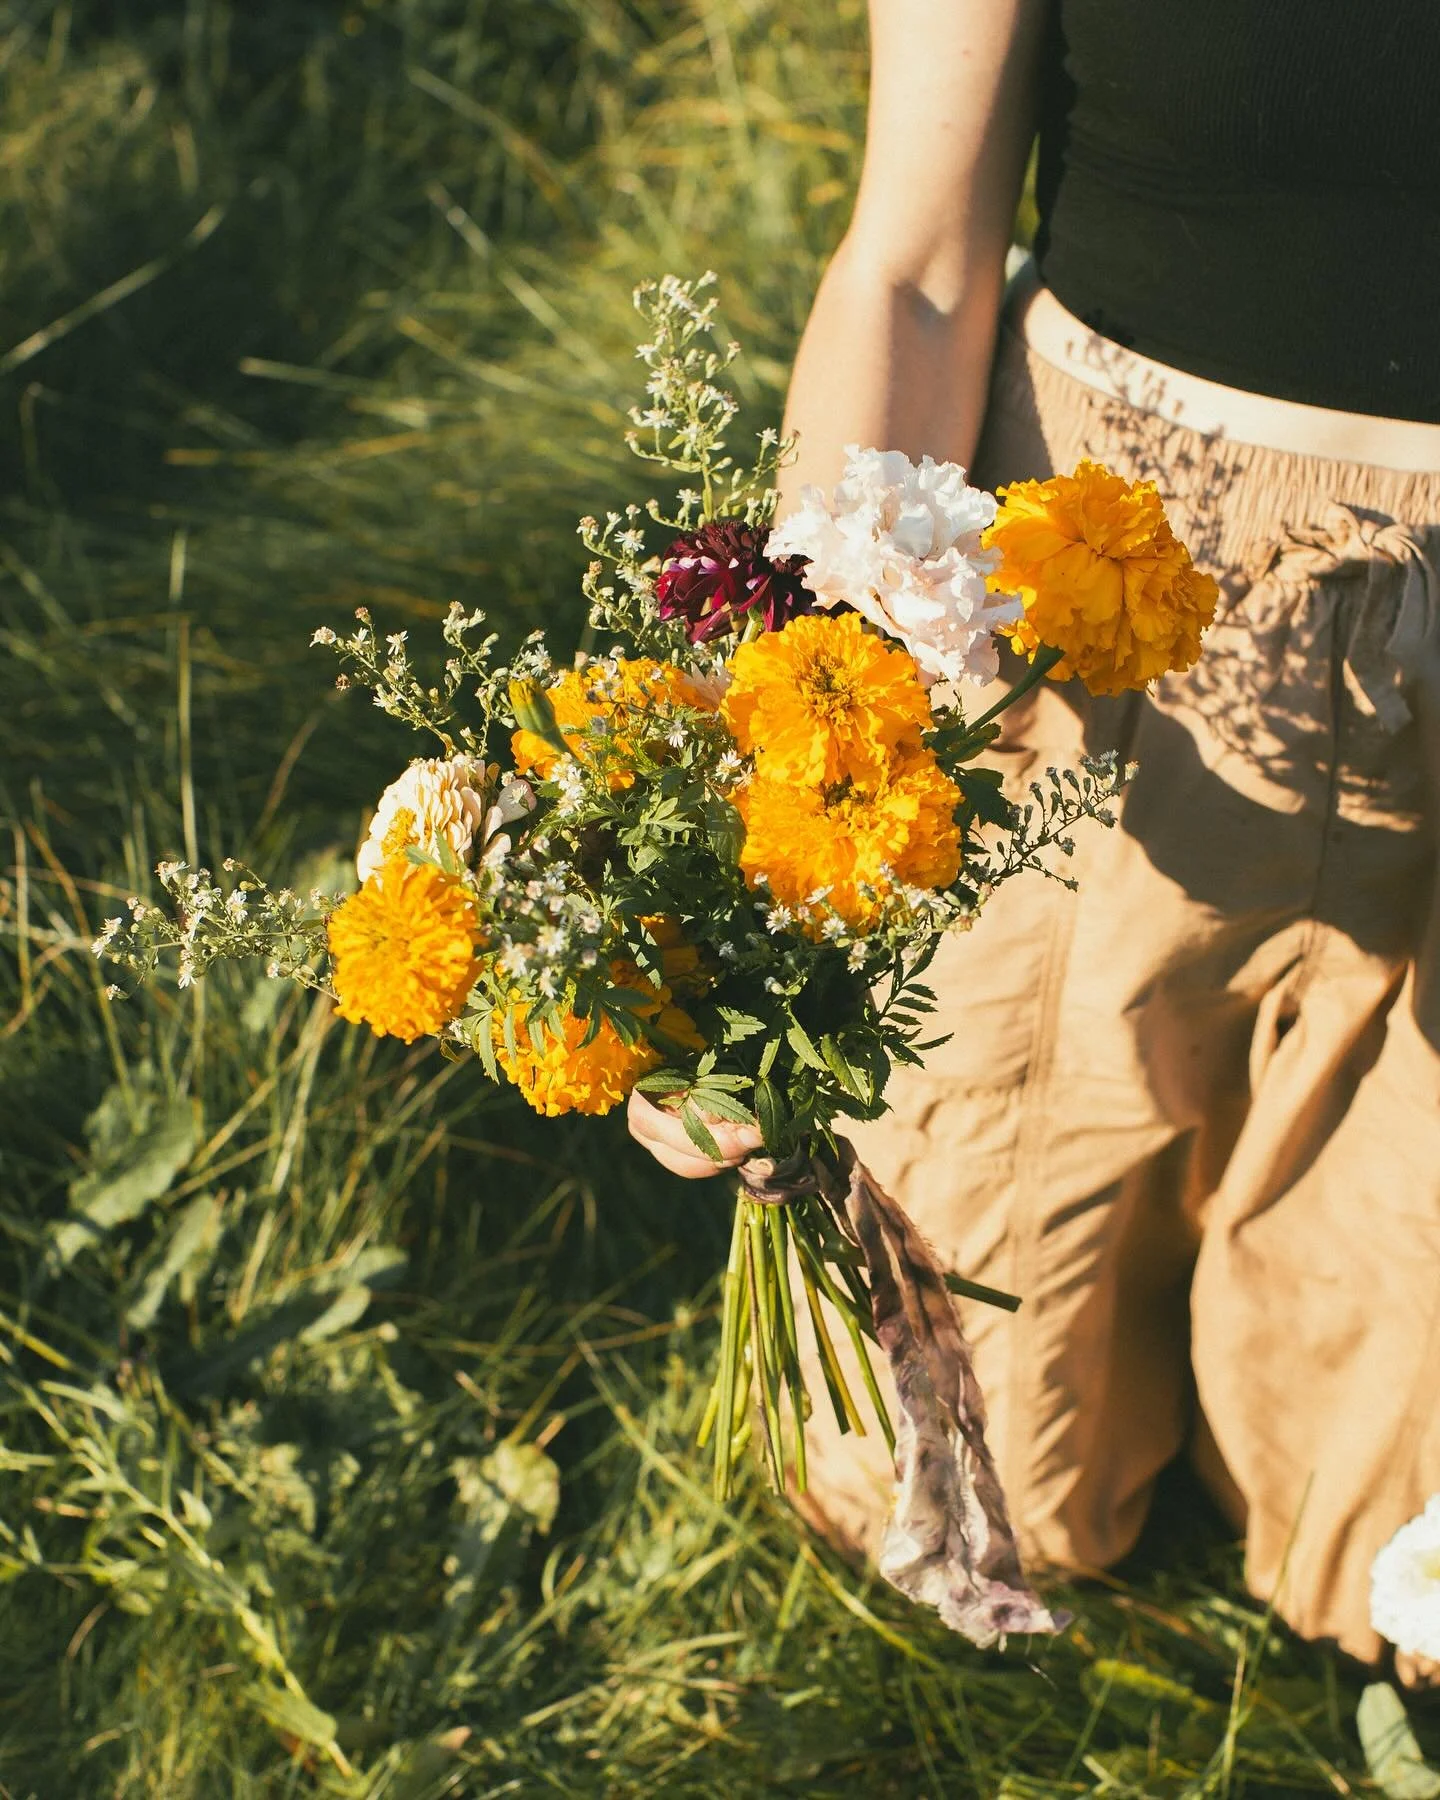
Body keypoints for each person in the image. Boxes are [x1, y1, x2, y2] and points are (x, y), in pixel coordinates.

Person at [629, 0, 1440, 1673]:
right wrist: (793, 802)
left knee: (1394, 1561)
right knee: (983, 1473)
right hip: (1098, 614)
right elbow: (919, 264)